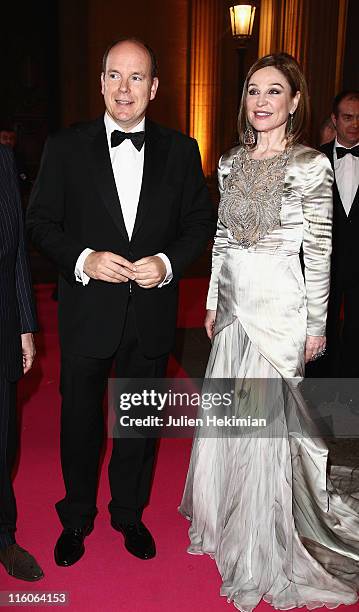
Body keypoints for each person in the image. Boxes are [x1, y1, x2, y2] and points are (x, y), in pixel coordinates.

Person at [180, 54, 359, 611]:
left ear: (295, 101)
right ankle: (231, 521)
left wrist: (315, 325)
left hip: (279, 312)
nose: (261, 100)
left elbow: (320, 252)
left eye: (273, 91)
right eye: (253, 90)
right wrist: (212, 300)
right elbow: (223, 241)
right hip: (234, 311)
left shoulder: (311, 166)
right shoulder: (230, 163)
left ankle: (264, 544)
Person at [26, 37, 213, 567]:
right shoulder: (66, 147)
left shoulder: (182, 150)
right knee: (79, 422)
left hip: (151, 313)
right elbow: (41, 222)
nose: (124, 88)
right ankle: (77, 516)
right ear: (102, 81)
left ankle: (128, 514)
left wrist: (169, 263)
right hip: (88, 312)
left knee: (139, 423)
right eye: (114, 75)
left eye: (136, 78)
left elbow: (200, 222)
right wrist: (83, 258)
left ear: (154, 87)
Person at [0, 144, 43, 581]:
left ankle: (2, 536)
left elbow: (15, 255)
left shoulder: (4, 159)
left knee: (4, 439)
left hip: (1, 323)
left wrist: (25, 323)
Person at [320, 91, 359, 377]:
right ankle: (321, 391)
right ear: (335, 119)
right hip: (325, 263)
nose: (355, 124)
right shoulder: (314, 161)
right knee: (322, 328)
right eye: (347, 117)